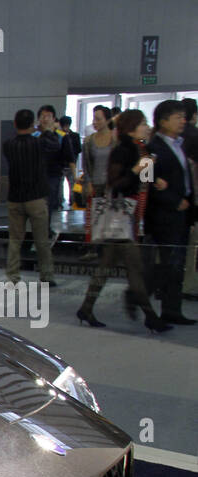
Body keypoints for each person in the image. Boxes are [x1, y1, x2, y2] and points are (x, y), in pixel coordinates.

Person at [77, 109, 167, 332]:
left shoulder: (140, 148)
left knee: (106, 265)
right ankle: (150, 316)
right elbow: (116, 183)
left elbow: (143, 182)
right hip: (120, 215)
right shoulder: (123, 150)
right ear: (132, 127)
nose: (147, 127)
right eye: (143, 123)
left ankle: (86, 308)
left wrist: (154, 178)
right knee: (133, 268)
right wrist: (139, 169)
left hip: (128, 215)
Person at [145, 100, 196, 325]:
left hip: (182, 213)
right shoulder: (153, 147)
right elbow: (146, 178)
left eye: (183, 117)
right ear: (163, 121)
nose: (182, 121)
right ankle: (146, 301)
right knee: (169, 263)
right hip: (165, 215)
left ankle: (172, 309)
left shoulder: (180, 145)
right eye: (177, 117)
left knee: (178, 264)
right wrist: (173, 201)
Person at [2, 109, 56, 287]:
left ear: (15, 124)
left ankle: (13, 275)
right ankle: (46, 275)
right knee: (41, 239)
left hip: (15, 197)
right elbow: (55, 146)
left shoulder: (8, 144)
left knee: (15, 239)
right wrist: (46, 129)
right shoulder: (38, 143)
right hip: (36, 197)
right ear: (32, 124)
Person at [80, 106, 116, 259]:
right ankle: (92, 249)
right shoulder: (89, 141)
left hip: (111, 184)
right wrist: (88, 182)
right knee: (94, 217)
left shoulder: (115, 140)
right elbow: (86, 165)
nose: (95, 122)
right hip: (95, 183)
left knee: (110, 217)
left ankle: (109, 250)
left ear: (107, 120)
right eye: (94, 118)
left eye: (98, 119)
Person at [38, 105, 73, 214]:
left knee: (49, 203)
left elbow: (70, 156)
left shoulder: (61, 136)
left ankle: (46, 228)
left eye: (48, 116)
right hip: (36, 175)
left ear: (54, 119)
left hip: (53, 175)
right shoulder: (35, 135)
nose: (45, 119)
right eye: (42, 116)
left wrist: (75, 175)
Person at [181, 98, 198, 300]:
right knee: (193, 245)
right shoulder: (194, 136)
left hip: (167, 201)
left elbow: (146, 174)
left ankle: (160, 284)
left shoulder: (156, 140)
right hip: (191, 199)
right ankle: (189, 286)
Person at [60, 115, 82, 208]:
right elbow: (79, 149)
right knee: (70, 184)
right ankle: (69, 202)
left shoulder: (59, 135)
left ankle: (67, 202)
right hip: (69, 163)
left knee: (63, 185)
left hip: (65, 164)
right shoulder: (75, 135)